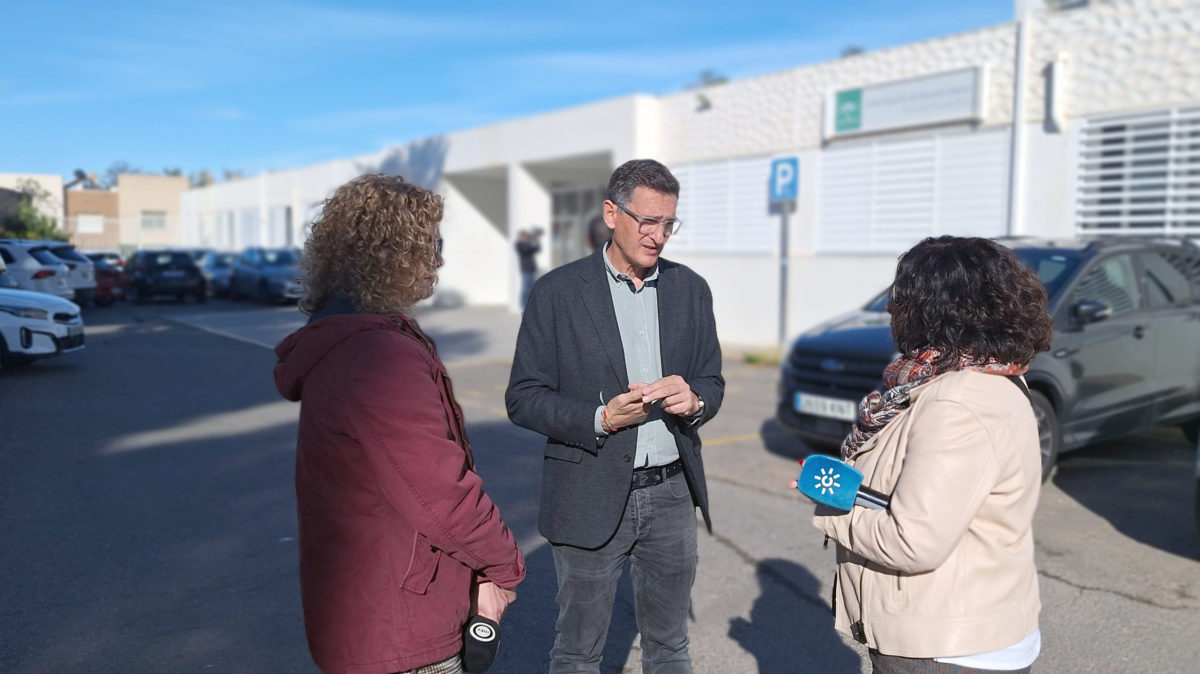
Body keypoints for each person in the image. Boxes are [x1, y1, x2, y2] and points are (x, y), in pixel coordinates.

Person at [274, 174, 525, 674]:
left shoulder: (345, 341)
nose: (439, 259)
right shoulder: (377, 352)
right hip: (401, 628)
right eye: (432, 244)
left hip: (361, 615)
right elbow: (440, 493)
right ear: (394, 254)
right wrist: (506, 567)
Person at [506, 159, 724, 674]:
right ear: (611, 213)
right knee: (578, 651)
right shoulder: (557, 292)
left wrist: (694, 402)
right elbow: (523, 397)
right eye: (647, 221)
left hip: (672, 493)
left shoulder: (690, 289)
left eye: (669, 223)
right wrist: (601, 418)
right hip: (589, 491)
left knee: (670, 646)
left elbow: (712, 381)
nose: (659, 236)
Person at [807, 236, 1053, 673]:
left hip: (944, 647)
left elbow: (912, 541)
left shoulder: (958, 399)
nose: (889, 310)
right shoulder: (992, 378)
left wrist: (830, 511)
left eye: (900, 298)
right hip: (966, 630)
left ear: (932, 308)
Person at [515, 227, 541, 310]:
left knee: (530, 288)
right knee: (525, 289)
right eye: (524, 237)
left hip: (531, 269)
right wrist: (530, 240)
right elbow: (526, 250)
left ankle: (529, 305)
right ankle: (523, 306)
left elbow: (537, 249)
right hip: (525, 269)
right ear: (521, 237)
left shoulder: (527, 244)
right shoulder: (519, 245)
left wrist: (536, 240)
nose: (525, 238)